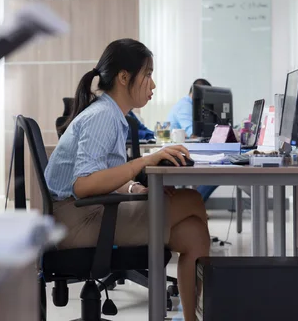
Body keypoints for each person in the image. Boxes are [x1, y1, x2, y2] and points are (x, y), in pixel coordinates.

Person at [46, 39, 210, 321]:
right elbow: (83, 184)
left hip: (81, 214)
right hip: (78, 221)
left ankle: (192, 319)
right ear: (124, 77)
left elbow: (104, 172)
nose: (153, 84)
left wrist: (134, 186)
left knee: (194, 233)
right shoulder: (103, 116)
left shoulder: (111, 113)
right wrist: (142, 163)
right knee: (192, 199)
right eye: (147, 74)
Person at [168, 78, 218, 202]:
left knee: (216, 170)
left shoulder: (193, 106)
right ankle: (193, 204)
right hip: (179, 152)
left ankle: (193, 204)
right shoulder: (185, 106)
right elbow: (193, 133)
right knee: (216, 173)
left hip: (185, 149)